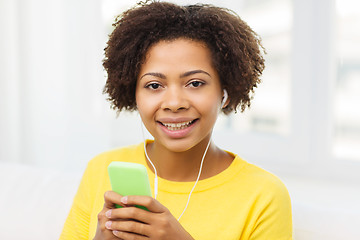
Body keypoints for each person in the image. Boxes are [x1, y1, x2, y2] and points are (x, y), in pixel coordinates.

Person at [60, 1, 293, 239]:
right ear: (134, 93)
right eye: (154, 85)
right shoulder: (101, 170)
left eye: (195, 83)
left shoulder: (263, 195)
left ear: (225, 92)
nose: (174, 102)